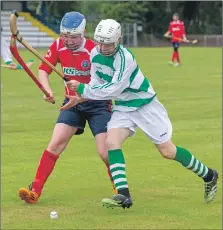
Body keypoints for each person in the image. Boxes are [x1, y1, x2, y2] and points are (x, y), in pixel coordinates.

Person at [61, 19, 219, 209]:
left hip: (145, 105)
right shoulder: (95, 54)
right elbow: (96, 82)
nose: (103, 48)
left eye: (108, 44)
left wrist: (84, 89)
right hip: (123, 106)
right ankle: (123, 194)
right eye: (100, 42)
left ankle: (209, 175)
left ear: (118, 40)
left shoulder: (125, 58)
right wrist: (82, 96)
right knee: (112, 141)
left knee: (167, 151)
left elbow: (113, 88)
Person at [18, 12, 115, 204]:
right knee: (56, 143)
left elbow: (106, 85)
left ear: (83, 32)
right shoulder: (57, 45)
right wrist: (46, 90)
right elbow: (44, 70)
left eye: (73, 36)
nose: (68, 41)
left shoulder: (94, 51)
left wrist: (84, 95)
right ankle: (35, 190)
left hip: (98, 104)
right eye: (65, 36)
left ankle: (119, 186)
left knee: (105, 151)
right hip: (71, 103)